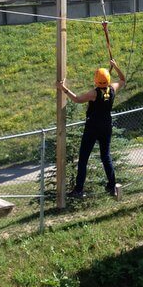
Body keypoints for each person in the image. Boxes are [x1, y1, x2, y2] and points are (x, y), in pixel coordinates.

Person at [57, 59, 126, 198]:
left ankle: (79, 189)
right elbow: (123, 79)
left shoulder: (93, 94)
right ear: (107, 79)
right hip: (106, 126)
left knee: (83, 158)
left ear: (96, 80)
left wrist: (63, 88)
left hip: (92, 128)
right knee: (106, 156)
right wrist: (116, 67)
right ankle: (112, 186)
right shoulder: (112, 89)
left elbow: (77, 99)